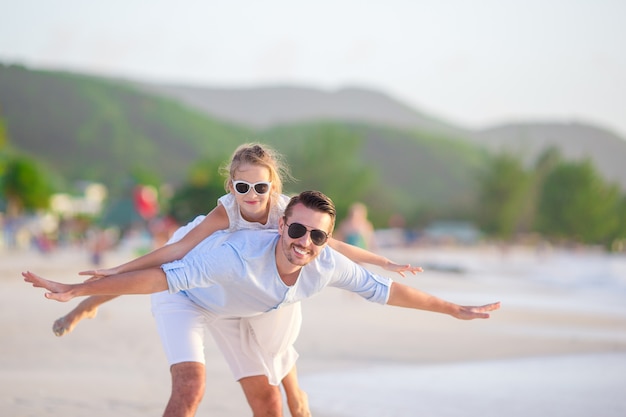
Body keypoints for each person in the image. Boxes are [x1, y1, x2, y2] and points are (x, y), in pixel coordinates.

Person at [24, 190, 501, 417]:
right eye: (296, 230)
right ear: (280, 225)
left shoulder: (326, 261)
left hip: (241, 311)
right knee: (190, 389)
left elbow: (387, 290)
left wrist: (453, 308)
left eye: (317, 236)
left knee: (271, 401)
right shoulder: (232, 253)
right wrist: (79, 290)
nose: (305, 241)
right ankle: (88, 305)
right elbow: (160, 276)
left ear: (327, 239)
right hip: (188, 299)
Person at [48, 143, 422, 417]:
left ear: (273, 187)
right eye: (242, 188)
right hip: (194, 266)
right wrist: (113, 272)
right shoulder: (224, 213)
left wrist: (383, 260)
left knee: (279, 331)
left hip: (236, 284)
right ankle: (88, 306)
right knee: (132, 280)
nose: (252, 195)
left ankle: (297, 400)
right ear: (231, 187)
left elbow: (334, 243)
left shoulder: (285, 212)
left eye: (261, 188)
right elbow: (175, 253)